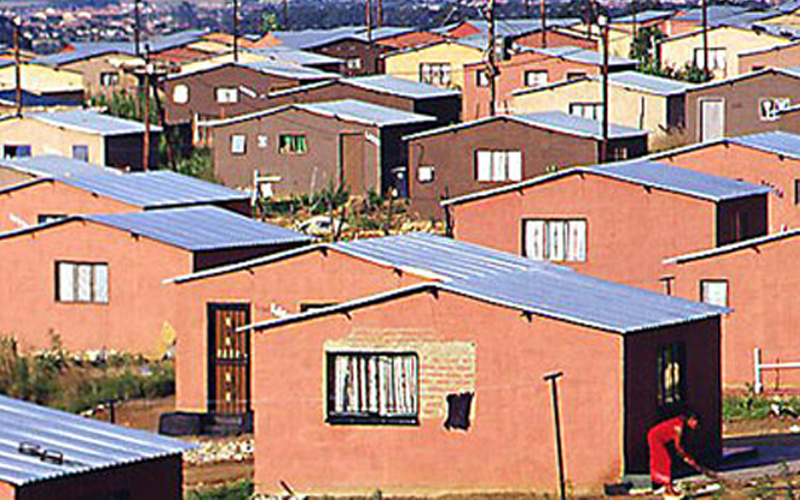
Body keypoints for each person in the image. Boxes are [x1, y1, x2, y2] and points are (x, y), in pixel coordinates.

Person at [648, 410, 717, 495]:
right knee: (665, 461)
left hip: (658, 439)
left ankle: (666, 486)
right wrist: (685, 457)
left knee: (664, 461)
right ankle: (668, 488)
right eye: (696, 423)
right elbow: (678, 446)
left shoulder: (682, 425)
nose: (696, 426)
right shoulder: (678, 426)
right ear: (691, 419)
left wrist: (686, 456)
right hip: (655, 438)